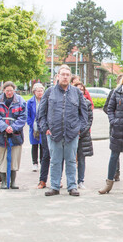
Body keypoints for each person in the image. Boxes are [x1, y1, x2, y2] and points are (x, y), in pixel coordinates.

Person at [37, 64, 88, 197]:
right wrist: (45, 128)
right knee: (55, 160)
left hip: (72, 134)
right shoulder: (49, 92)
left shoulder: (76, 93)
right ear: (58, 77)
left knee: (71, 160)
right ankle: (54, 186)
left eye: (67, 75)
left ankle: (72, 186)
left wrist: (79, 129)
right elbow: (41, 114)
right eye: (63, 75)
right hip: (54, 134)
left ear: (70, 77)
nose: (65, 77)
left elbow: (84, 114)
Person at [0, 81, 27, 189]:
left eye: (11, 91)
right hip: (2, 134)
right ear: (3, 91)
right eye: (7, 91)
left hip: (16, 135)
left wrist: (13, 127)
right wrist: (4, 127)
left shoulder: (20, 101)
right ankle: (3, 181)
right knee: (2, 158)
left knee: (14, 158)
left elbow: (23, 117)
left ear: (14, 90)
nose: (9, 93)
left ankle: (13, 181)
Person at [72, 81, 93, 189]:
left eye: (82, 89)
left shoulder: (87, 104)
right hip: (71, 135)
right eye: (78, 89)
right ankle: (70, 181)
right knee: (70, 158)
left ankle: (80, 180)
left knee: (81, 158)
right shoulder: (69, 102)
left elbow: (89, 120)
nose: (80, 91)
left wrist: (81, 132)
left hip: (82, 135)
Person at [26, 83, 44, 172]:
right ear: (34, 92)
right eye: (38, 91)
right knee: (34, 145)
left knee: (43, 145)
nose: (40, 93)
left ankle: (42, 162)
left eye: (41, 91)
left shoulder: (45, 100)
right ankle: (34, 163)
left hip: (43, 126)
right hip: (34, 127)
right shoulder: (30, 102)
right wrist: (31, 124)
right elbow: (27, 115)